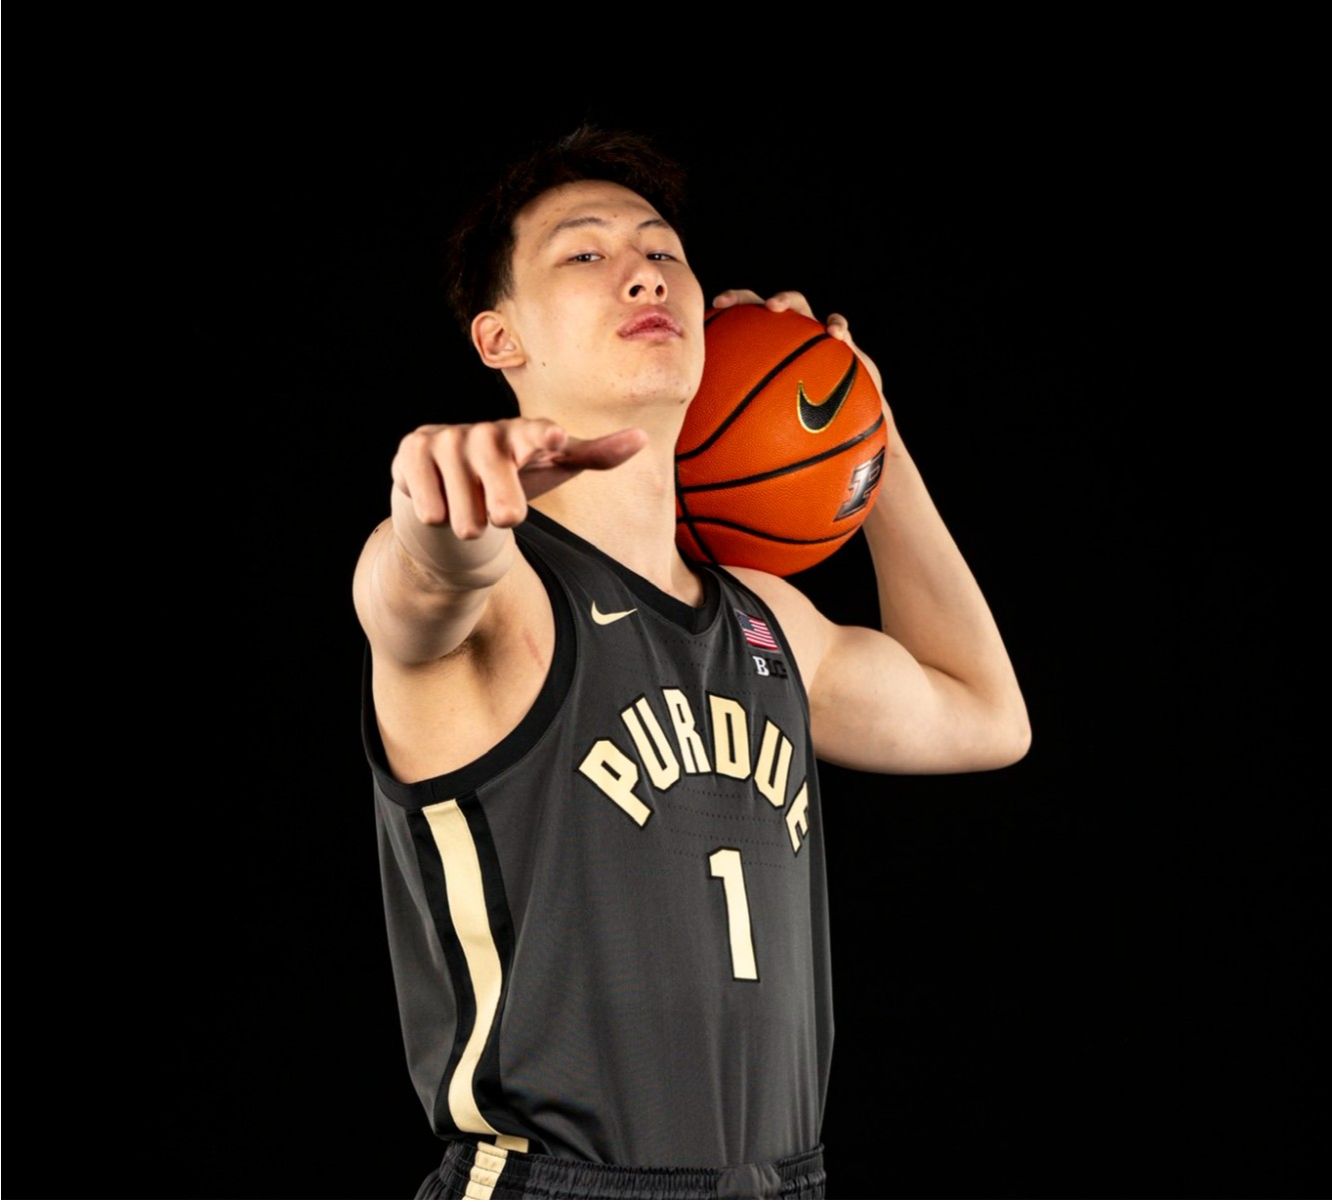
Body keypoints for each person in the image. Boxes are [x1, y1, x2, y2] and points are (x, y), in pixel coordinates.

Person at [352, 122, 1031, 1200]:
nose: (643, 272)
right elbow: (415, 592)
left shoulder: (768, 622)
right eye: (585, 252)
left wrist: (870, 429)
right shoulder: (503, 591)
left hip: (782, 1182)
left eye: (662, 249)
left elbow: (987, 714)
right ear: (499, 338)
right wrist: (438, 512)